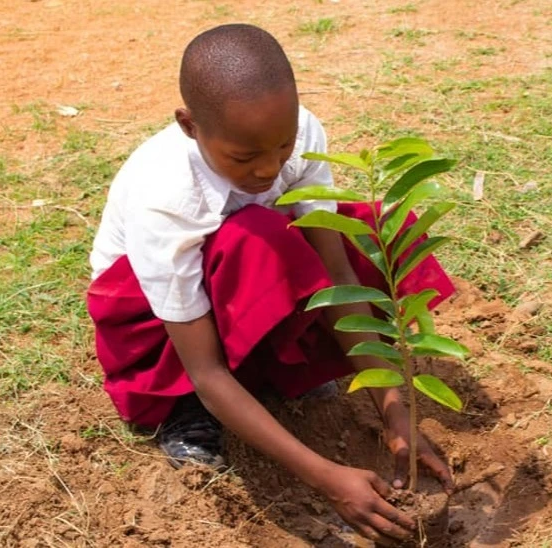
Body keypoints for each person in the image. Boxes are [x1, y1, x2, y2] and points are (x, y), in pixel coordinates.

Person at [86, 24, 456, 544]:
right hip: (163, 323)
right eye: (243, 158)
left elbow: (336, 276)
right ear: (189, 125)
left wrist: (393, 410)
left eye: (282, 149)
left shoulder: (302, 133)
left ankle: (278, 363)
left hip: (245, 282)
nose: (267, 168)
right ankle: (185, 411)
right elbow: (206, 368)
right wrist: (327, 479)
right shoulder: (167, 196)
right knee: (256, 236)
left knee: (361, 230)